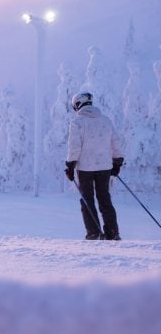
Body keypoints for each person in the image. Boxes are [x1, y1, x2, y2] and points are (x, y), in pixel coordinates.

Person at [65, 92, 124, 240]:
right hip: (104, 166)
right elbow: (116, 142)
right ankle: (113, 232)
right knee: (104, 198)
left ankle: (94, 233)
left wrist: (71, 165)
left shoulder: (77, 122)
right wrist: (117, 162)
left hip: (85, 168)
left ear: (78, 104)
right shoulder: (106, 120)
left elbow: (75, 146)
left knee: (87, 199)